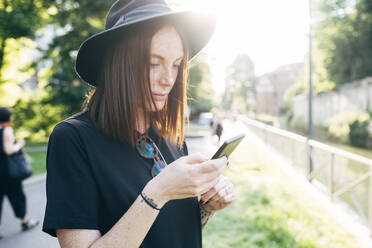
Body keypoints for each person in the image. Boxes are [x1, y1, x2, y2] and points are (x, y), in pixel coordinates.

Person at [42, 0, 236, 247]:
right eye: (154, 63)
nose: (168, 79)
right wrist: (159, 191)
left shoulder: (170, 135)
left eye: (176, 65)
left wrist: (208, 208)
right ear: (118, 64)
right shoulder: (73, 139)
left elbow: (171, 233)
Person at [0, 107, 39, 239]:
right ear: (8, 118)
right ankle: (25, 222)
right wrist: (20, 144)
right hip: (7, 172)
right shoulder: (7, 130)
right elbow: (8, 150)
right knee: (17, 196)